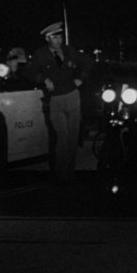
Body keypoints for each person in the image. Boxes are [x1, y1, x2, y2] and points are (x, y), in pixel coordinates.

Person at [25, 22, 91, 182]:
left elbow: (88, 62)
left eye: (60, 36)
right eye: (55, 36)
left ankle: (70, 173)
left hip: (72, 96)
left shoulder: (69, 51)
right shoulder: (41, 54)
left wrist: (80, 78)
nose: (59, 39)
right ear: (48, 38)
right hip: (55, 100)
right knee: (62, 137)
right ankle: (60, 175)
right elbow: (29, 72)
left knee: (73, 138)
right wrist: (43, 79)